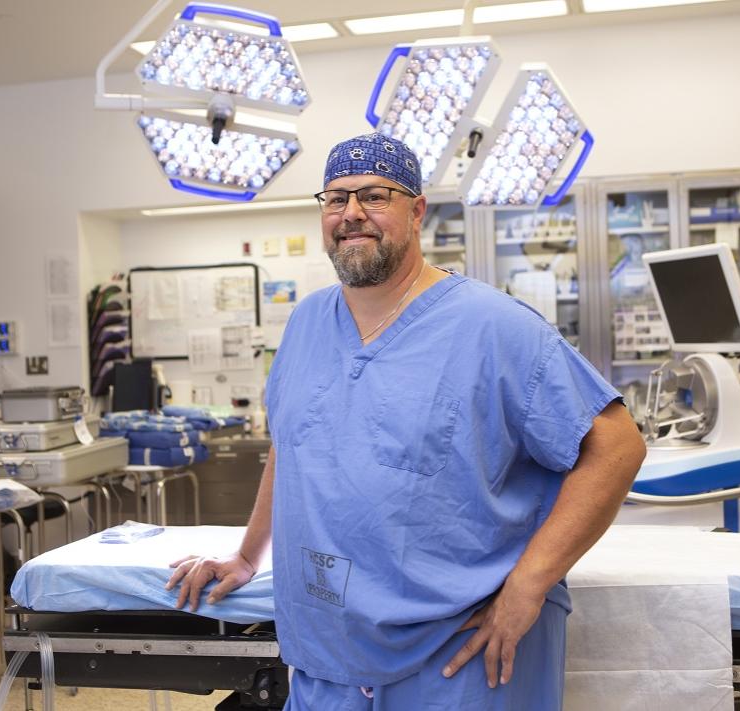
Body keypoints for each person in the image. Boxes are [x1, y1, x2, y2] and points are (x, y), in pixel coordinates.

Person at [167, 132, 646, 710]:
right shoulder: (307, 323)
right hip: (329, 652)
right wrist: (249, 555)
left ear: (417, 210)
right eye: (336, 198)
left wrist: (529, 584)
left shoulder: (492, 326)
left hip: (456, 654)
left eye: (375, 196)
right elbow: (292, 447)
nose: (351, 215)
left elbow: (616, 448)